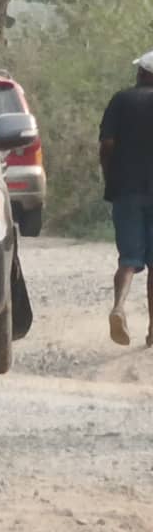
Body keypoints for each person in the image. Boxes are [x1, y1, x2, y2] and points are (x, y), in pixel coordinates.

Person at [99, 50, 153, 347]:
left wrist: (111, 177)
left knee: (129, 260)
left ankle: (119, 307)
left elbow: (107, 144)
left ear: (143, 74)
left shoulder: (121, 100)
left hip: (127, 191)